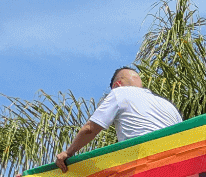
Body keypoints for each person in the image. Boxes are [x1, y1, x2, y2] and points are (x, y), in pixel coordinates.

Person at [55, 66, 184, 169]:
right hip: (176, 166)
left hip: (144, 166)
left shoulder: (120, 92)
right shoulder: (169, 106)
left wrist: (68, 153)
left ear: (117, 85)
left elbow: (90, 129)